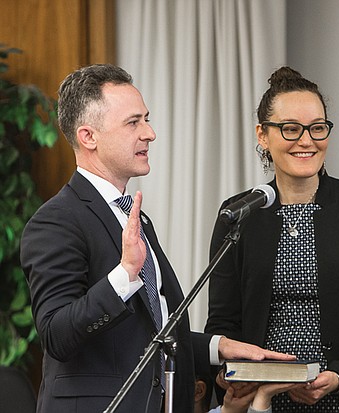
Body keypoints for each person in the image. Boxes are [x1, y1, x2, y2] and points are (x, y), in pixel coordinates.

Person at [20, 64, 293, 413]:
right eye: (133, 122)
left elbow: (144, 335)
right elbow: (57, 335)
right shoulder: (56, 221)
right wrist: (124, 275)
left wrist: (218, 347)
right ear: (89, 136)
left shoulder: (134, 217)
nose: (149, 133)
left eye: (146, 119)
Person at [204, 66, 339, 412]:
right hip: (262, 398)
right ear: (263, 135)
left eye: (317, 128)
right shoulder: (239, 214)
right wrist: (231, 372)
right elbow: (223, 320)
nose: (307, 140)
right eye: (291, 129)